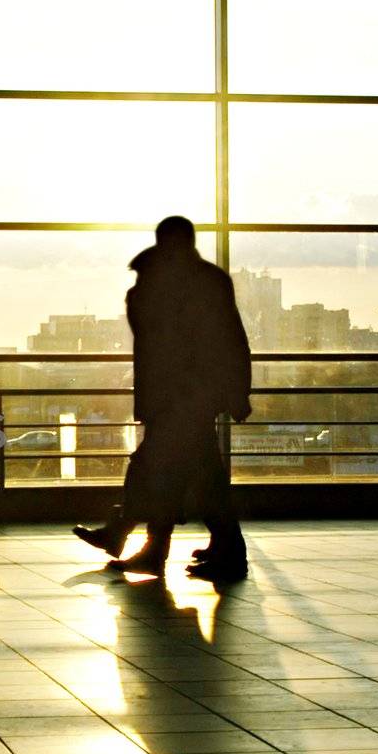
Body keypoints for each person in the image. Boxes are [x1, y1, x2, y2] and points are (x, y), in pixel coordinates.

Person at [74, 214, 252, 582]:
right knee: (195, 477)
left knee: (154, 468)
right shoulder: (206, 281)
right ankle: (202, 548)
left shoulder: (170, 282)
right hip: (194, 396)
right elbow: (232, 340)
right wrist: (237, 390)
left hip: (176, 398)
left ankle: (135, 538)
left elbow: (153, 332)